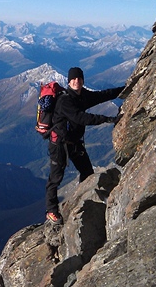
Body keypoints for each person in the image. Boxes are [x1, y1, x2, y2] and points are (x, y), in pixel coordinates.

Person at [45, 67, 124, 224]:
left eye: (79, 79)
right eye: (73, 79)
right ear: (69, 81)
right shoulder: (65, 100)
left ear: (82, 80)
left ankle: (80, 201)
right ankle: (51, 210)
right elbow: (81, 118)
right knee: (55, 178)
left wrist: (124, 89)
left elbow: (101, 95)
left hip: (75, 143)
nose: (76, 81)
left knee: (87, 172)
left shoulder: (83, 95)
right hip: (59, 144)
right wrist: (107, 119)